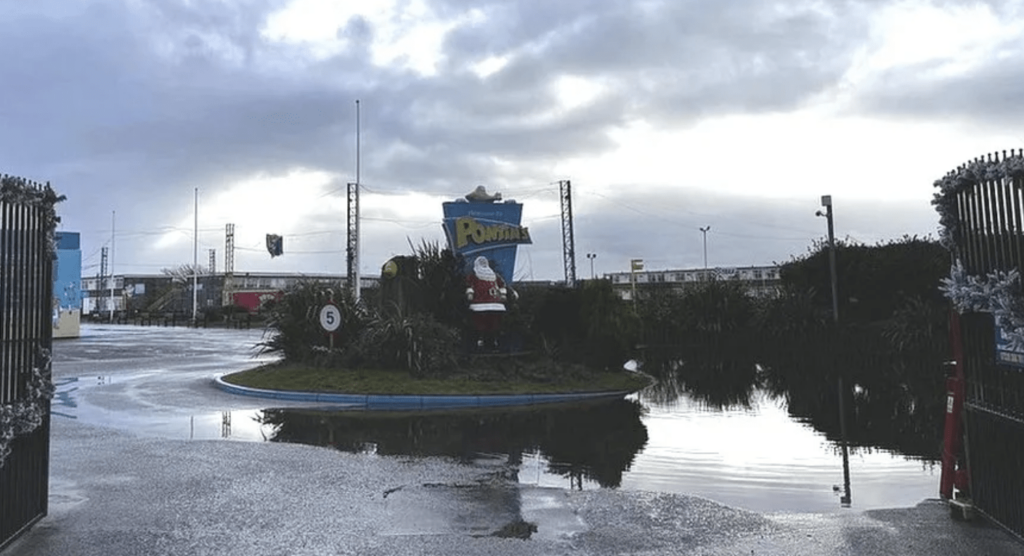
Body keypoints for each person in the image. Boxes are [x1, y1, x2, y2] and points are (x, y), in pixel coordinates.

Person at [465, 256, 515, 350]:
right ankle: (481, 340)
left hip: (494, 303)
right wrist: (470, 293)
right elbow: (469, 285)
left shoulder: (494, 276)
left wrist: (503, 295)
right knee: (481, 323)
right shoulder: (474, 276)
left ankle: (491, 341)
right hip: (480, 304)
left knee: (493, 323)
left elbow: (501, 285)